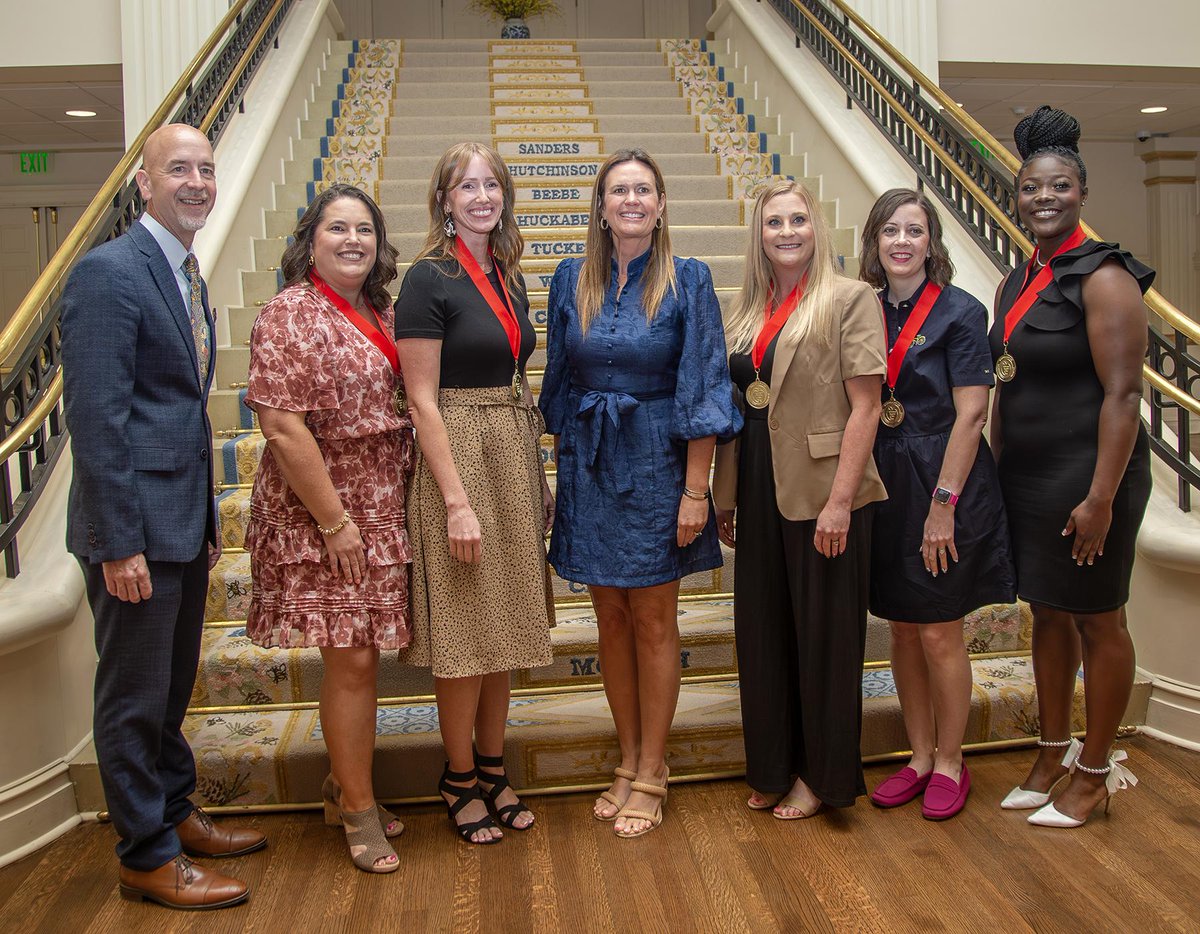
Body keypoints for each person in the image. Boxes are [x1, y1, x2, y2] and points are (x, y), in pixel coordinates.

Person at [61, 123, 265, 910]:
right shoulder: (108, 274)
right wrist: (119, 544)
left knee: (172, 688)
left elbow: (176, 412)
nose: (198, 182)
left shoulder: (184, 274)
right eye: (178, 168)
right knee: (134, 697)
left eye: (206, 169)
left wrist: (208, 522)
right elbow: (97, 419)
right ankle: (146, 855)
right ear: (142, 183)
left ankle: (177, 815)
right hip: (132, 534)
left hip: (179, 523)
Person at [540, 148, 741, 838]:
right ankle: (625, 758)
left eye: (643, 189)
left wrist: (696, 492)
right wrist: (559, 477)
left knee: (654, 620)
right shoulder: (570, 278)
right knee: (611, 622)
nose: (631, 199)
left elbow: (705, 385)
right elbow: (561, 386)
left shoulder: (689, 278)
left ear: (661, 205)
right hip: (592, 468)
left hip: (659, 464)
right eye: (618, 190)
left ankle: (654, 769)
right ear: (600, 206)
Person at [990, 106, 1152, 828]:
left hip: (1090, 477)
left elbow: (1124, 396)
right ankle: (1050, 753)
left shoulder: (1106, 275)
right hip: (1026, 476)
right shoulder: (1017, 278)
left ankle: (1093, 773)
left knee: (1098, 619)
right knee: (1046, 614)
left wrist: (1101, 498)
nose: (1042, 198)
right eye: (1030, 188)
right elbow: (1006, 381)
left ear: (1081, 191)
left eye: (1057, 186)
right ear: (1016, 197)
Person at [244, 183, 412, 872]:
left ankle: (343, 784)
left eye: (364, 229)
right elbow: (282, 426)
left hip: (381, 501)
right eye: (337, 228)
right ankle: (357, 811)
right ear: (309, 240)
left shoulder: (381, 309)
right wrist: (336, 522)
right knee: (353, 658)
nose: (353, 240)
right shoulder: (290, 314)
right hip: (325, 507)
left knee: (365, 651)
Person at [395, 142, 554, 846]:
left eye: (491, 185)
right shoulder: (426, 278)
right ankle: (457, 775)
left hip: (511, 447)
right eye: (467, 186)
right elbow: (421, 400)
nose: (481, 196)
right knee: (466, 629)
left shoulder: (510, 274)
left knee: (508, 623)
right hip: (456, 452)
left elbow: (520, 379)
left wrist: (537, 471)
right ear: (444, 199)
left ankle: (492, 767)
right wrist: (455, 500)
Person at [713, 180, 886, 820]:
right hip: (757, 480)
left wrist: (841, 501)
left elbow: (866, 406)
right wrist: (726, 496)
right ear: (758, 236)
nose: (786, 232)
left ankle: (823, 776)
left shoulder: (850, 299)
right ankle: (774, 765)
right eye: (773, 223)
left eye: (798, 220)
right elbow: (738, 408)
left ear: (817, 229)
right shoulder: (747, 309)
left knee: (825, 638)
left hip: (823, 486)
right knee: (762, 631)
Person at [858, 189, 1016, 821]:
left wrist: (943, 505)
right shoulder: (862, 308)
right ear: (874, 241)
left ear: (932, 243)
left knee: (938, 630)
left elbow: (973, 411)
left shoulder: (960, 311)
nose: (902, 242)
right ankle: (919, 755)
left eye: (914, 231)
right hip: (885, 479)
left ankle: (952, 760)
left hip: (942, 478)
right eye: (890, 231)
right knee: (899, 625)